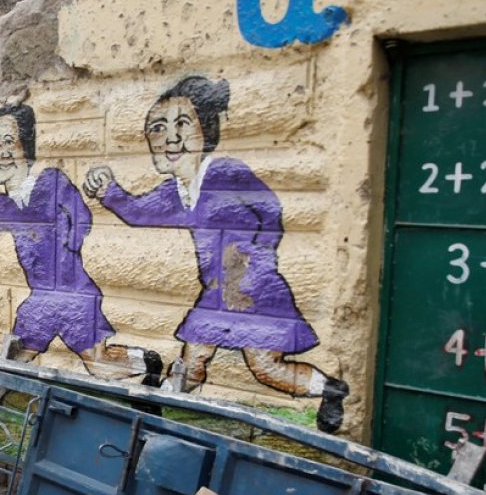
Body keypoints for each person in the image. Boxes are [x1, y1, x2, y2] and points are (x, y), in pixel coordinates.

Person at [83, 76, 350, 432]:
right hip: (217, 292)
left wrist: (256, 263)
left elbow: (269, 210)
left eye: (182, 124)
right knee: (193, 360)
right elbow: (137, 211)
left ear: (205, 129)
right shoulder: (176, 192)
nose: (170, 137)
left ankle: (331, 389)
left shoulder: (225, 173)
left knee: (265, 368)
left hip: (254, 291)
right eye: (158, 128)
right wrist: (109, 192)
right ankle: (155, 415)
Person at [0, 104, 162, 385]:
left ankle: (147, 363)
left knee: (99, 365)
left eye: (9, 141)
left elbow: (81, 217)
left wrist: (66, 248)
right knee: (18, 358)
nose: (1, 151)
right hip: (43, 300)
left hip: (75, 295)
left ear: (27, 145)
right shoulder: (6, 204)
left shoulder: (51, 182)